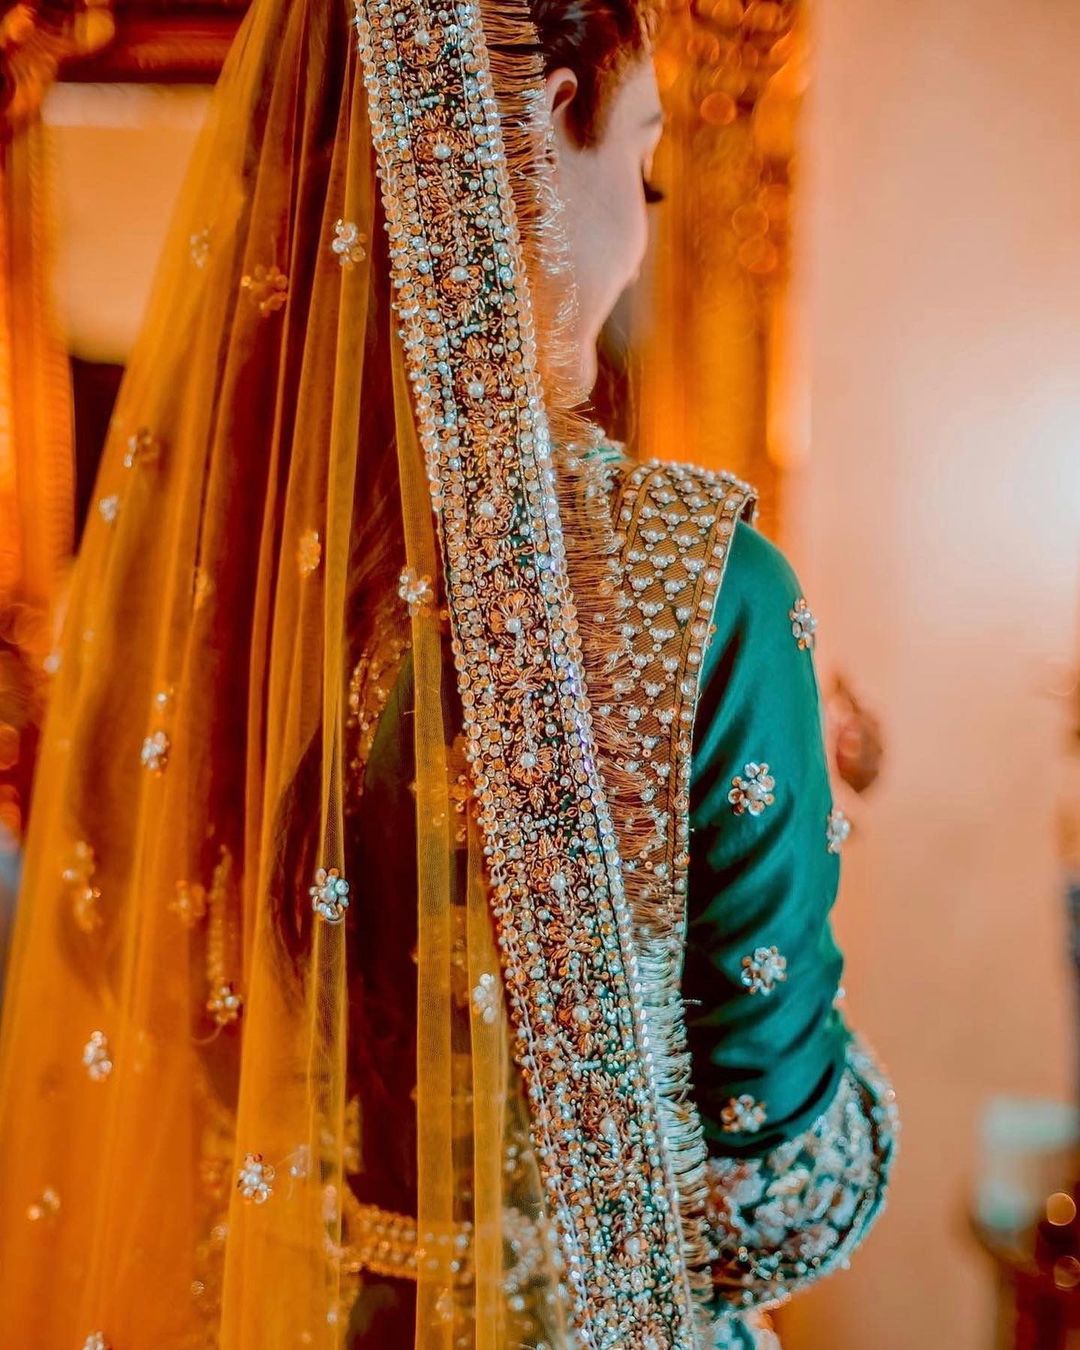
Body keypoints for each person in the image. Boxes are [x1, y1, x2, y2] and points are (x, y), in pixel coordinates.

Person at [0, 0, 898, 1346]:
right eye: (641, 166)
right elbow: (777, 1203)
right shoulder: (702, 587)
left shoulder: (210, 582)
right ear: (547, 128)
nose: (639, 228)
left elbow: (141, 978)